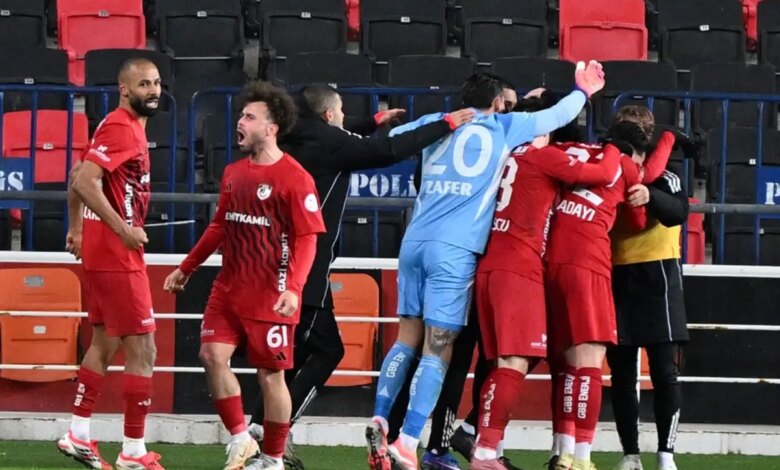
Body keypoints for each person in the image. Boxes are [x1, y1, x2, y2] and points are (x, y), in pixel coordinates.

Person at [366, 64, 606, 470]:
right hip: (455, 249)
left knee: (406, 338)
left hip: (413, 242)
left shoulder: (434, 122)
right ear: (497, 102)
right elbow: (558, 116)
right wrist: (583, 91)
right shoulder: (503, 126)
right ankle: (407, 440)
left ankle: (379, 418)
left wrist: (373, 121)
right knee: (438, 347)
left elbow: (388, 143)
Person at [246, 83, 475, 469]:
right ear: (328, 116)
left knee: (295, 352)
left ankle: (260, 429)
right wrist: (446, 124)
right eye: (340, 113)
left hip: (273, 258)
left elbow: (338, 131)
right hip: (306, 265)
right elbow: (387, 151)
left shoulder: (292, 133)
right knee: (327, 351)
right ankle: (269, 436)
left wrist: (370, 121)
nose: (343, 119)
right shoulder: (329, 142)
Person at [163, 81, 325, 470]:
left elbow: (308, 239)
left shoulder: (295, 177)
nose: (240, 122)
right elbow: (219, 226)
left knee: (271, 376)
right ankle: (240, 439)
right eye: (241, 115)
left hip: (271, 293)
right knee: (210, 354)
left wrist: (295, 289)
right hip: (228, 289)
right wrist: (187, 267)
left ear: (271, 128)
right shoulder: (234, 173)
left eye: (249, 117)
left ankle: (273, 458)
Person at [469, 93, 627, 470]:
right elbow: (602, 174)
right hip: (518, 266)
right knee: (514, 362)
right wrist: (614, 147)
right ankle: (485, 451)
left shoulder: (504, 154)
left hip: (489, 262)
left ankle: (482, 442)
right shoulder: (543, 156)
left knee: (506, 361)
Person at [395, 83, 538, 470]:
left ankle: (460, 435)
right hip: (470, 258)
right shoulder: (500, 143)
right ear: (494, 103)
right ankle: (434, 445)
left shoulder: (507, 144)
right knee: (454, 355)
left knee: (489, 356)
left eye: (515, 106)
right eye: (506, 104)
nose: (508, 111)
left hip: (481, 259)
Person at [544, 116, 675, 470]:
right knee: (590, 361)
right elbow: (638, 216)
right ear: (634, 152)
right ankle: (582, 459)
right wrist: (667, 140)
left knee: (569, 362)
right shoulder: (625, 165)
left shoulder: (578, 152)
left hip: (551, 261)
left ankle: (563, 451)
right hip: (589, 263)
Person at [58, 57, 164, 470]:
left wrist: (76, 229)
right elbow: (85, 181)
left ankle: (77, 433)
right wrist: (122, 230)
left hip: (103, 249)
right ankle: (134, 451)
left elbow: (77, 174)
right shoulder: (122, 127)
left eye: (156, 83)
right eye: (144, 84)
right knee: (144, 348)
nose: (153, 90)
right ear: (124, 89)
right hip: (117, 252)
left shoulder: (119, 125)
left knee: (104, 342)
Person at [607, 107, 691, 470]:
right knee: (623, 375)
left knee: (664, 373)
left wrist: (649, 196)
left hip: (659, 274)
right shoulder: (608, 173)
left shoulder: (666, 176)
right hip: (616, 272)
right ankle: (630, 454)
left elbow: (678, 212)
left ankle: (665, 454)